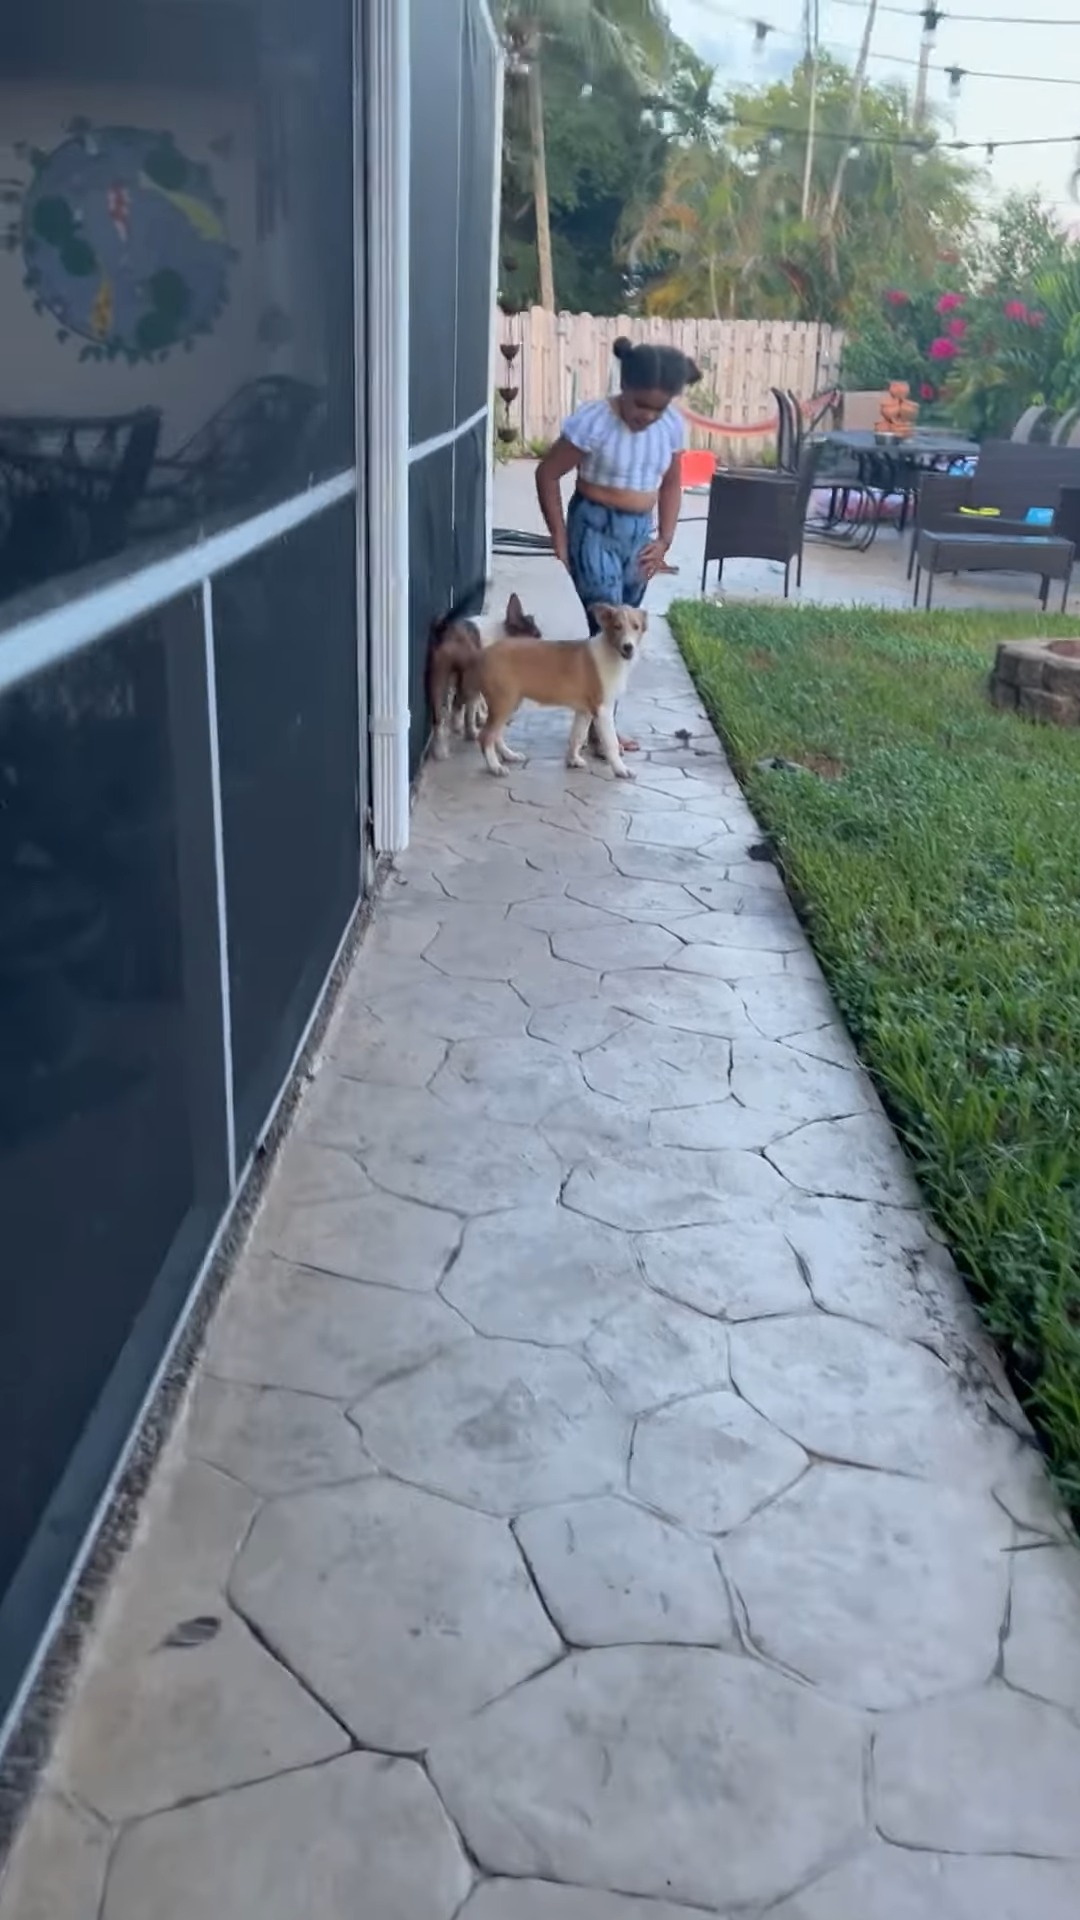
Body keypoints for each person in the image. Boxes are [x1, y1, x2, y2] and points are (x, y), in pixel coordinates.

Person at [534, 336, 701, 754]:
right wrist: (560, 536)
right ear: (623, 386)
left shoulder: (671, 426)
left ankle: (598, 717)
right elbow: (547, 474)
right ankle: (601, 725)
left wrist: (664, 540)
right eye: (639, 404)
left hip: (638, 536)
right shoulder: (594, 422)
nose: (646, 416)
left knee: (628, 629)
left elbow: (672, 483)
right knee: (608, 625)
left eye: (657, 408)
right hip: (593, 528)